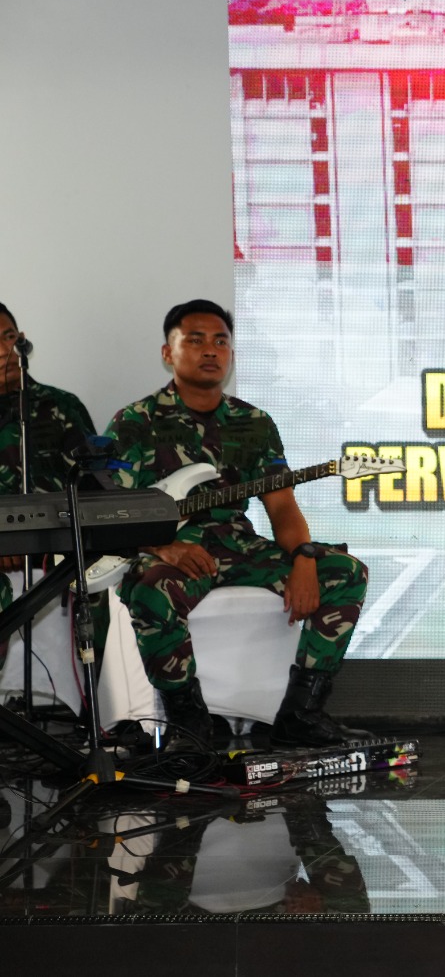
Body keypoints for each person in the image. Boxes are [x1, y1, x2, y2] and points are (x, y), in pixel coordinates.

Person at [103, 299, 369, 748]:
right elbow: (114, 509)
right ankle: (189, 724)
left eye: (221, 341)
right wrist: (163, 547)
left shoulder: (254, 423)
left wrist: (304, 557)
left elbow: (281, 507)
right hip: (169, 548)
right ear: (168, 353)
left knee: (346, 572)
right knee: (150, 589)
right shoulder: (134, 422)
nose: (211, 350)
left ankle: (300, 715)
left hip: (238, 546)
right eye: (196, 340)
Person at [0, 302, 97, 613]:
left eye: (8, 337)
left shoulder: (61, 406)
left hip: (58, 551)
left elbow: (94, 488)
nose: (3, 351)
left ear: (21, 340)